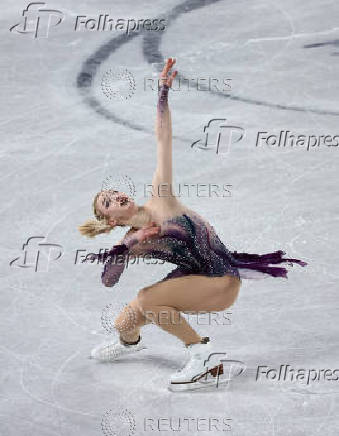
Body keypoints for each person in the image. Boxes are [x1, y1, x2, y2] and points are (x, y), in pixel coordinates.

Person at [79, 58, 307, 390]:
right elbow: (109, 280)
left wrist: (162, 94)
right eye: (108, 201)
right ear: (112, 220)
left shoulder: (161, 196)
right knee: (125, 321)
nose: (116, 196)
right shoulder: (134, 239)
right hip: (193, 277)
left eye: (115, 192)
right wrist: (130, 243)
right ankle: (131, 344)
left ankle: (201, 354)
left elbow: (163, 138)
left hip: (220, 279)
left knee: (148, 298)